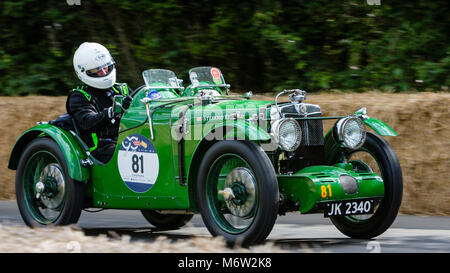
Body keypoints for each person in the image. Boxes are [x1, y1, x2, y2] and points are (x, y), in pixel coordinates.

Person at [67, 42, 132, 163]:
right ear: (83, 71)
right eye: (96, 69)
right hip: (101, 147)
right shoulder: (79, 96)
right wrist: (112, 112)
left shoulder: (122, 89)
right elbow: (87, 122)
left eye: (105, 66)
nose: (103, 71)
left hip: (129, 138)